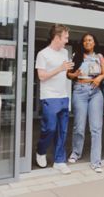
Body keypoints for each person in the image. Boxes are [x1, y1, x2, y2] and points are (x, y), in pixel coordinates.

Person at [35, 24, 74, 174]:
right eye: (65, 37)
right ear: (57, 37)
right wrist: (60, 68)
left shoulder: (64, 52)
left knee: (62, 131)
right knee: (50, 128)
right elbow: (42, 76)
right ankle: (40, 150)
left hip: (63, 96)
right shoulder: (43, 54)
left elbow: (64, 73)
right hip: (49, 97)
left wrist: (71, 71)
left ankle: (59, 161)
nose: (67, 40)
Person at [67, 33, 104, 173]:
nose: (87, 42)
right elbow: (68, 74)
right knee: (79, 126)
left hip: (95, 91)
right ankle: (76, 153)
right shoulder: (76, 56)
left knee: (96, 128)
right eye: (85, 41)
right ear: (82, 43)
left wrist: (99, 78)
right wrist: (75, 74)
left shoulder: (99, 57)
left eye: (90, 40)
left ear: (94, 42)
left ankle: (96, 162)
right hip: (79, 90)